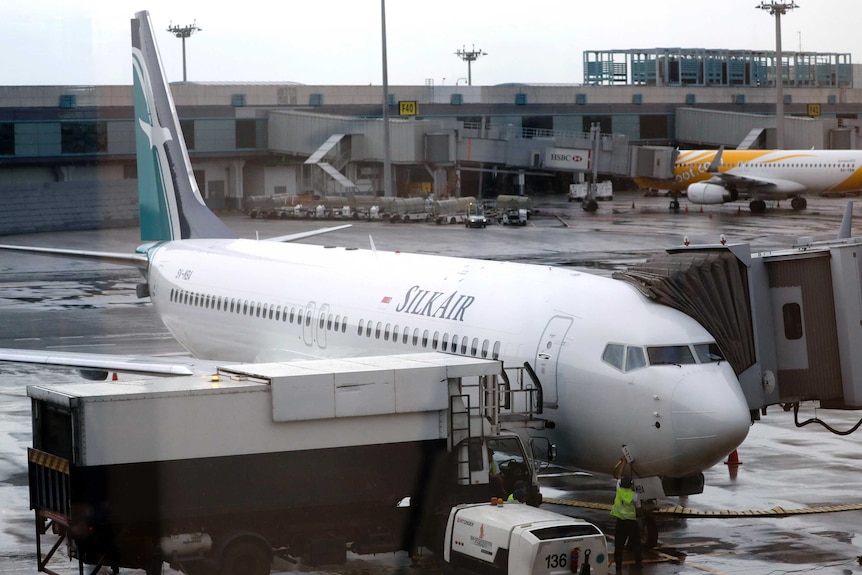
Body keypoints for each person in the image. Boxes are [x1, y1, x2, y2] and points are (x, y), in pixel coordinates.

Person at [610, 476, 642, 572]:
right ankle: (638, 563)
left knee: (619, 545)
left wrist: (623, 462)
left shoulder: (619, 491)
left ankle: (618, 566)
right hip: (632, 523)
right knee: (636, 544)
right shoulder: (635, 496)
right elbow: (639, 509)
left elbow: (618, 477)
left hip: (620, 523)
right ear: (631, 485)